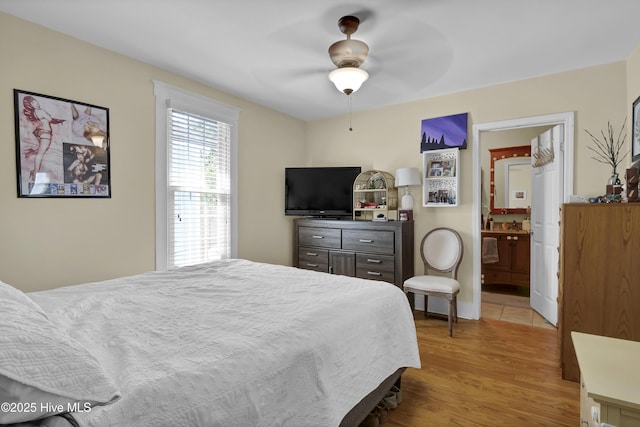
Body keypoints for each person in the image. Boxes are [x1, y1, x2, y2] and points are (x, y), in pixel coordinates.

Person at [22, 95, 65, 180]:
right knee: (40, 153)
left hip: (40, 132)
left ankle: (32, 162)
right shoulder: (40, 111)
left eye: (35, 101)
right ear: (30, 105)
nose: (36, 103)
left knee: (41, 150)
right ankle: (35, 173)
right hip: (46, 133)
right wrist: (59, 121)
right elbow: (50, 120)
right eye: (33, 102)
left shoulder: (35, 112)